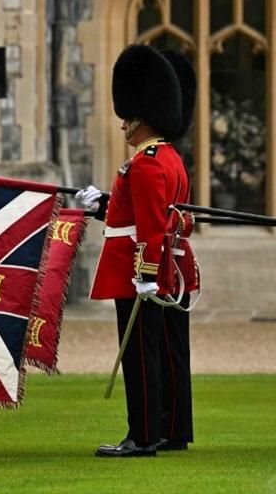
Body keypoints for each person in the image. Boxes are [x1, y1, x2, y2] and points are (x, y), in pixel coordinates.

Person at [79, 44, 193, 458]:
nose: (123, 125)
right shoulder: (170, 159)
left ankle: (142, 435)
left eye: (128, 118)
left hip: (139, 268)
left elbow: (149, 224)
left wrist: (144, 274)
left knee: (141, 357)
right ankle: (172, 428)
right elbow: (169, 217)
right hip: (163, 265)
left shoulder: (145, 163)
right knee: (166, 352)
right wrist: (103, 206)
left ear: (141, 118)